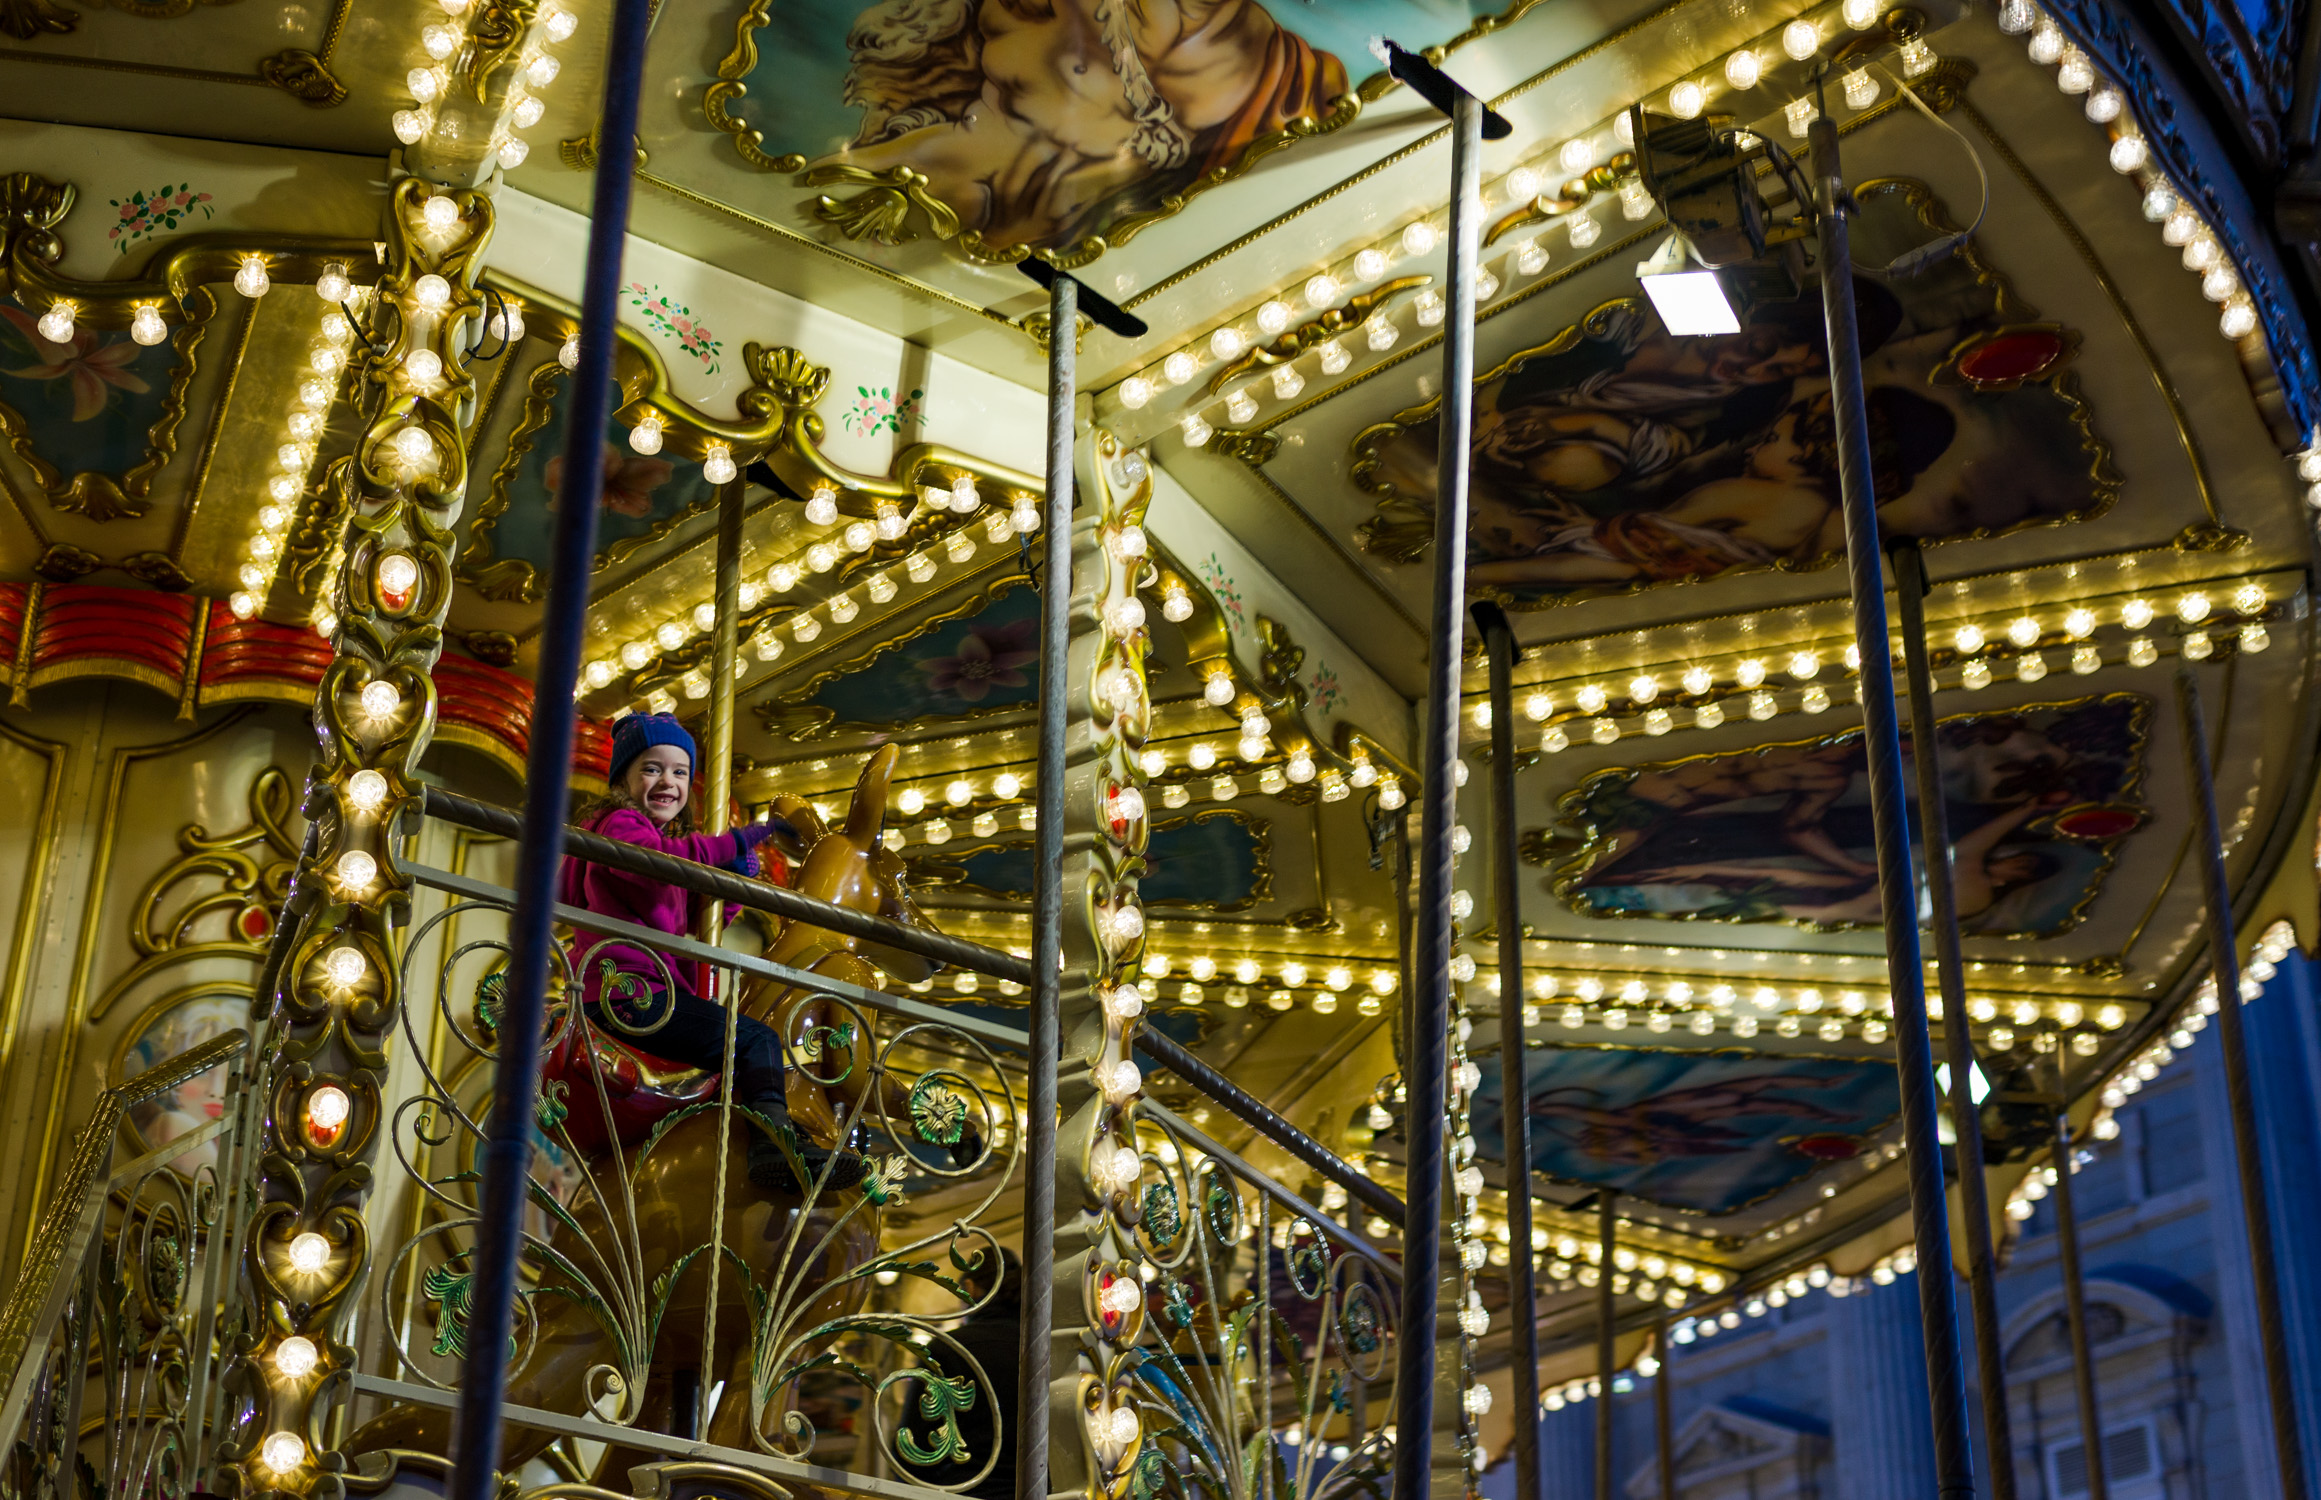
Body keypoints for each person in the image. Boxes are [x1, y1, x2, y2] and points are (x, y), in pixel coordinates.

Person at [559, 713, 867, 1194]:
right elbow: (658, 868)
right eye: (652, 768)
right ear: (623, 778)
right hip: (631, 992)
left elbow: (692, 926)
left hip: (643, 988)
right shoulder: (620, 825)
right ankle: (773, 1145)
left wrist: (734, 887)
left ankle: (775, 1142)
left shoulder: (658, 848)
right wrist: (745, 838)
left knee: (746, 1051)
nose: (668, 781)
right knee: (757, 1041)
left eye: (680, 772)